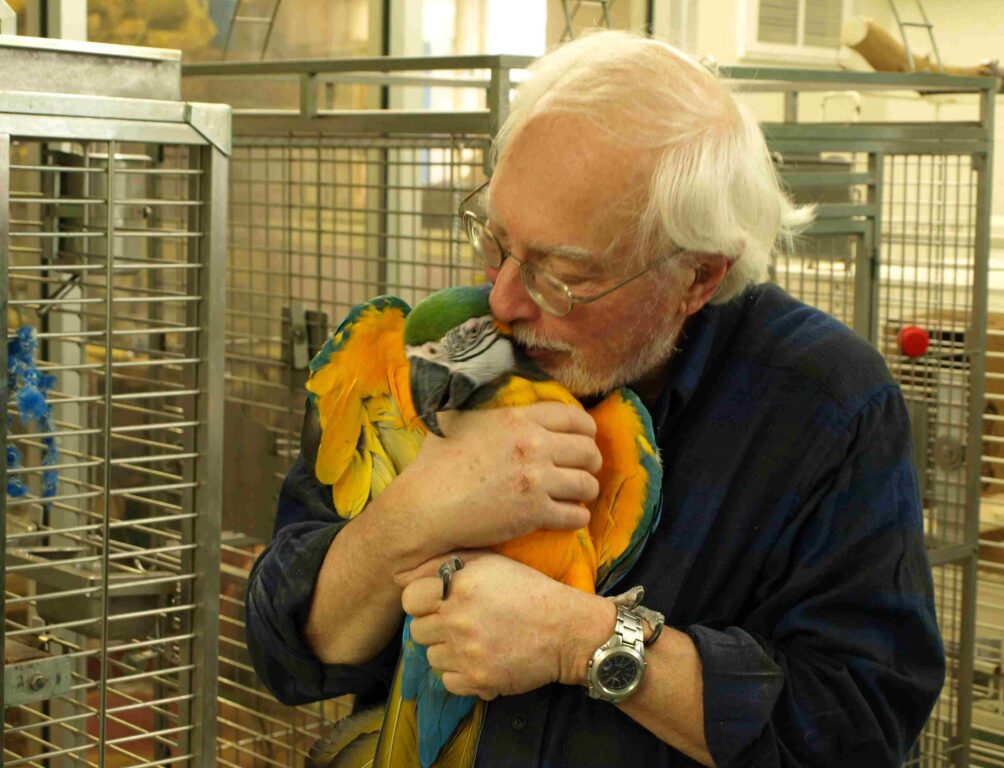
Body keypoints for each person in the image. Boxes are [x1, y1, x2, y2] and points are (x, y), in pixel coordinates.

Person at [245, 30, 944, 767]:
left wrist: (583, 640)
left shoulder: (830, 408)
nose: (505, 298)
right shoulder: (448, 350)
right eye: (498, 240)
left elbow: (856, 729)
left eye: (562, 274)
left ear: (698, 277)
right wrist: (413, 514)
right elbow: (284, 651)